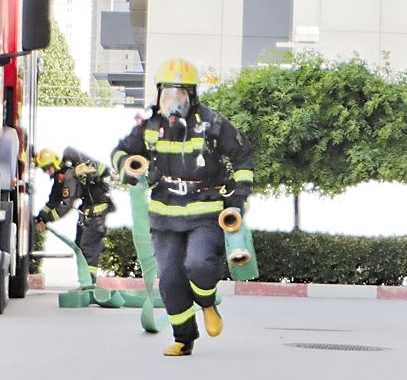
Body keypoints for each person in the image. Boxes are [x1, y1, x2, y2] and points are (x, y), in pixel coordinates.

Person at [110, 59, 253, 356]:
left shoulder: (212, 123)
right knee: (171, 278)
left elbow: (242, 154)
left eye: (180, 93)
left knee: (199, 264)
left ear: (192, 95)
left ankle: (207, 303)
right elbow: (120, 151)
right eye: (167, 93)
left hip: (205, 209)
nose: (173, 101)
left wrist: (238, 198)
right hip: (165, 214)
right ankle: (183, 338)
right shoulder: (150, 125)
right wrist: (128, 167)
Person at [33, 146, 114, 274]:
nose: (46, 171)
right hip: (87, 213)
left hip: (96, 215)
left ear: (54, 163)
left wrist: (47, 218)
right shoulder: (60, 178)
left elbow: (66, 205)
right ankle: (85, 279)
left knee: (88, 248)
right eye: (44, 169)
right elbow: (53, 200)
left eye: (47, 167)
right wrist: (41, 216)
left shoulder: (69, 176)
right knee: (80, 245)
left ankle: (89, 281)